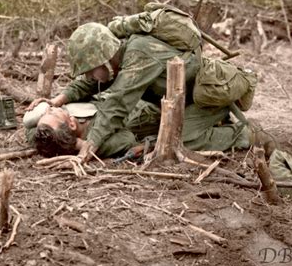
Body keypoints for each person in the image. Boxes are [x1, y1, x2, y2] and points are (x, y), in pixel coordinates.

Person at [28, 22, 275, 162]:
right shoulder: (118, 59)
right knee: (169, 132)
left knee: (179, 139)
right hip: (182, 100)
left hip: (209, 96)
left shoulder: (138, 55)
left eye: (91, 70)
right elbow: (92, 83)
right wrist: (57, 99)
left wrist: (90, 144)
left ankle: (247, 135)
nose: (90, 77)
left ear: (104, 60)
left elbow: (117, 103)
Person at [24, 99, 161, 159]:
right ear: (72, 124)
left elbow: (30, 131)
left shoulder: (47, 138)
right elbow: (126, 139)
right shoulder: (93, 136)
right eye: (52, 113)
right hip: (147, 106)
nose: (50, 109)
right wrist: (78, 145)